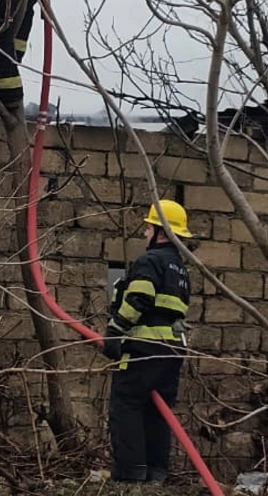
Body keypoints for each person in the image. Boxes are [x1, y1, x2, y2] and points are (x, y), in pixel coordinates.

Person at [103, 199, 193, 484]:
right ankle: (156, 472)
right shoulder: (180, 269)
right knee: (158, 411)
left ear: (162, 233)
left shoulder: (150, 261)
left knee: (126, 403)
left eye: (149, 228)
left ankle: (131, 473)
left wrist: (115, 331)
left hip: (144, 349)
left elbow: (139, 298)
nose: (145, 234)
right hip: (172, 351)